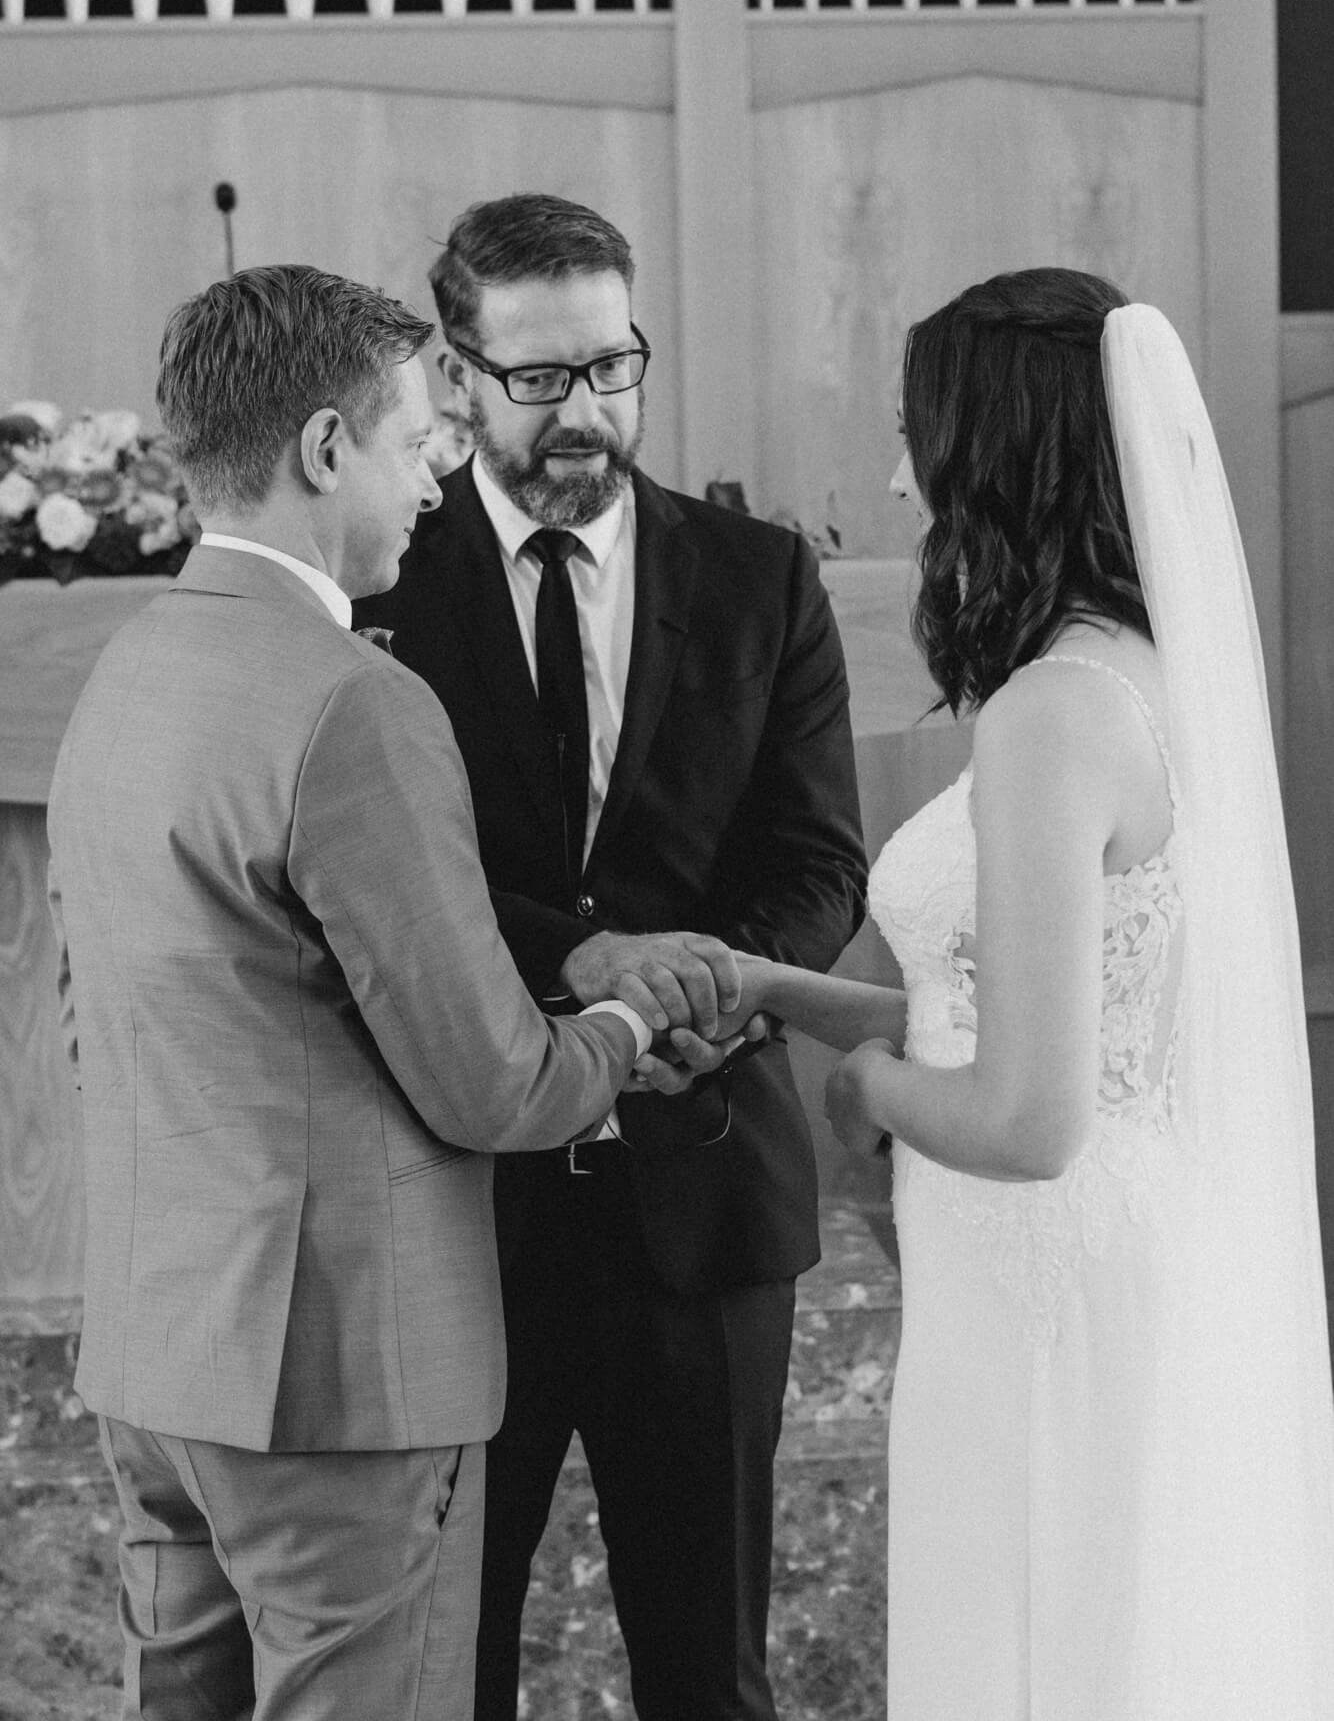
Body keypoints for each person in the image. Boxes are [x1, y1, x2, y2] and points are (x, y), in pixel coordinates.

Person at [46, 264, 726, 1721]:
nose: (439, 480)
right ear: (322, 448)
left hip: (166, 1358)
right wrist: (623, 1024)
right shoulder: (352, 697)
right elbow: (493, 1086)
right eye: (420, 441)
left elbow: (84, 1014)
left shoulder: (131, 669)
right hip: (340, 1383)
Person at [725, 269, 1334, 1717]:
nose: (893, 474)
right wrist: (774, 989)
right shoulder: (1133, 670)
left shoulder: (1049, 715)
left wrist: (861, 1092)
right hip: (1090, 1244)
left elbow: (1028, 1114)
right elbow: (1018, 1016)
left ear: (993, 453)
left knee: (1038, 1643)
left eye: (912, 435)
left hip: (1043, 1268)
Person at [357, 192, 867, 1721]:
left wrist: (710, 988)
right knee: (447, 1674)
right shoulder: (385, 576)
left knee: (710, 1677)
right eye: (538, 377)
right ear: (454, 378)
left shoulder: (756, 574)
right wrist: (595, 964)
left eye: (611, 365)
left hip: (702, 1200)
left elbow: (814, 858)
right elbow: (395, 880)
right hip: (460, 1209)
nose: (585, 411)